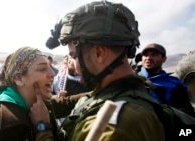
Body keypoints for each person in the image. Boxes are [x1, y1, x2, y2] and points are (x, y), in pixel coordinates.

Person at [46, 1, 165, 141]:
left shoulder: (115, 127)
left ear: (99, 53)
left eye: (74, 56)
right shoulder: (114, 90)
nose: (74, 65)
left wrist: (42, 128)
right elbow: (81, 100)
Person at [0, 47, 61, 141]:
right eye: (42, 69)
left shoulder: (44, 108)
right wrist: (42, 126)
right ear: (19, 79)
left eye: (50, 67)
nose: (53, 73)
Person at [139, 43, 195, 117]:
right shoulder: (133, 80)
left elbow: (186, 110)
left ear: (164, 59)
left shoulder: (175, 83)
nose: (148, 58)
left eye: (154, 55)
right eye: (145, 55)